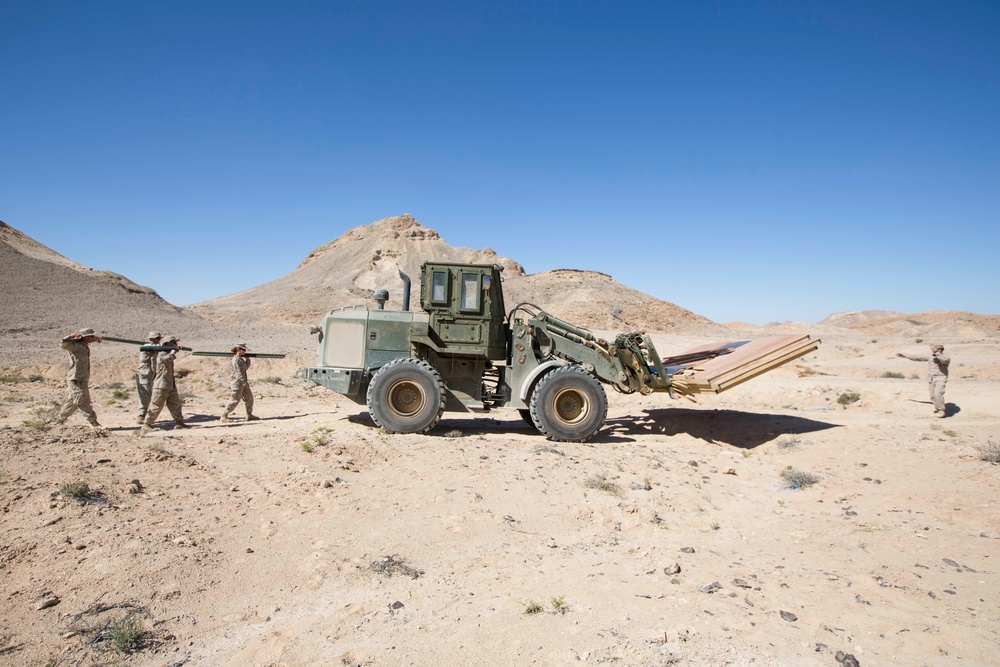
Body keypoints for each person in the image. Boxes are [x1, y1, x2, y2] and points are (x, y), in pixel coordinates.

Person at [139, 335, 190, 434]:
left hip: (170, 384)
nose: (176, 344)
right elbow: (161, 360)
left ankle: (179, 422)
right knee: (156, 405)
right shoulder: (161, 353)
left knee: (175, 404)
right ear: (167, 343)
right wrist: (172, 353)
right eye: (174, 342)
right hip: (161, 385)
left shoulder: (167, 352)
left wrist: (175, 349)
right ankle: (147, 424)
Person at [55, 328, 102, 428]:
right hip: (76, 378)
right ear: (83, 337)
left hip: (82, 377)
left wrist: (95, 339)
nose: (92, 338)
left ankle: (59, 420)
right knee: (82, 400)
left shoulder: (84, 346)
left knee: (73, 400)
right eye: (90, 336)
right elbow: (63, 344)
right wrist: (70, 336)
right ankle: (93, 421)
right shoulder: (75, 345)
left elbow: (90, 339)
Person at [897, 344, 950, 417]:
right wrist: (905, 355)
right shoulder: (930, 357)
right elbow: (918, 357)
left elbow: (945, 361)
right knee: (933, 396)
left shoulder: (945, 356)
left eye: (934, 349)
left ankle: (941, 410)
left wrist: (938, 357)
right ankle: (937, 409)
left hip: (940, 377)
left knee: (938, 393)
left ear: (940, 349)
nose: (932, 351)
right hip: (931, 378)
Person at [221, 343, 259, 422]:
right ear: (238, 350)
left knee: (249, 398)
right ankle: (224, 415)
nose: (244, 351)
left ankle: (249, 414)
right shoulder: (235, 360)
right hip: (237, 382)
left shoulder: (240, 359)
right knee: (235, 399)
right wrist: (244, 383)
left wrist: (248, 360)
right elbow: (238, 373)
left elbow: (244, 369)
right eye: (243, 350)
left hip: (242, 382)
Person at [135, 331, 162, 424]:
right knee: (145, 395)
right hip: (144, 374)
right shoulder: (147, 346)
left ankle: (144, 415)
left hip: (151, 373)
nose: (159, 340)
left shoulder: (157, 347)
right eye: (157, 338)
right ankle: (141, 415)